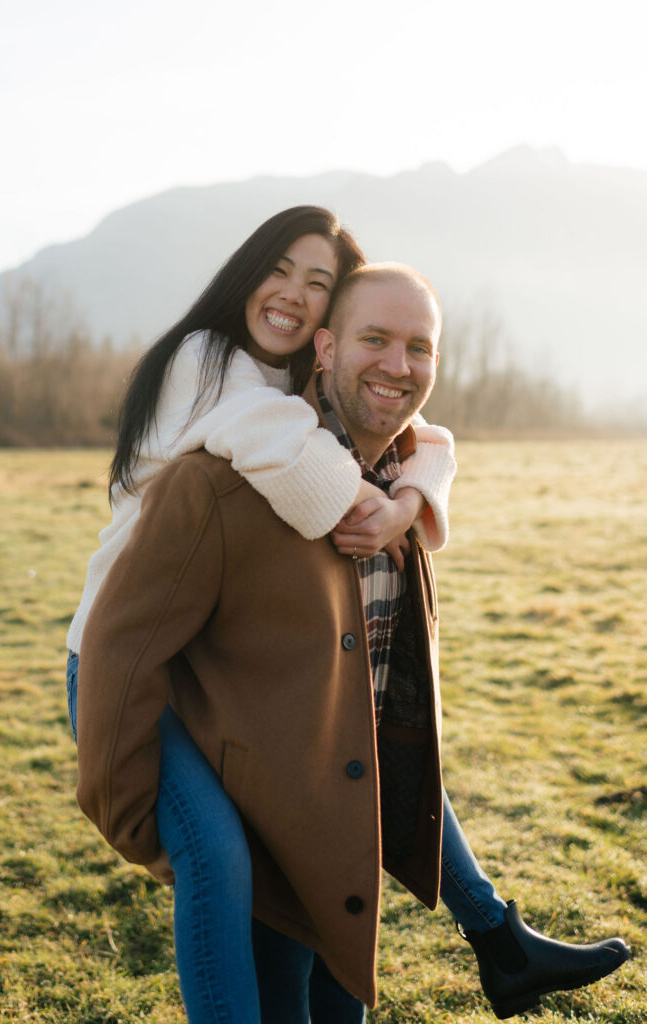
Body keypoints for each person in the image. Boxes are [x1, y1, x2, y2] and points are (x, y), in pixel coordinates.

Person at [75, 262, 629, 1021]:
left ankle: (502, 943)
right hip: (270, 827)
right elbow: (122, 651)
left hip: (345, 829)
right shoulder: (215, 486)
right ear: (325, 349)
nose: (398, 366)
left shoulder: (404, 481)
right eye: (374, 339)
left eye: (419, 348)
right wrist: (138, 811)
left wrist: (409, 497)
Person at [66, 206, 457, 1021]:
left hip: (200, 660)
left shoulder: (289, 385)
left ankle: (492, 927)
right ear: (246, 272)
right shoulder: (206, 364)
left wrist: (414, 487)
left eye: (318, 284)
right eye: (278, 268)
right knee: (215, 858)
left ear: (326, 325)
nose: (290, 293)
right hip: (118, 655)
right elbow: (288, 455)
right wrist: (378, 507)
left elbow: (427, 436)